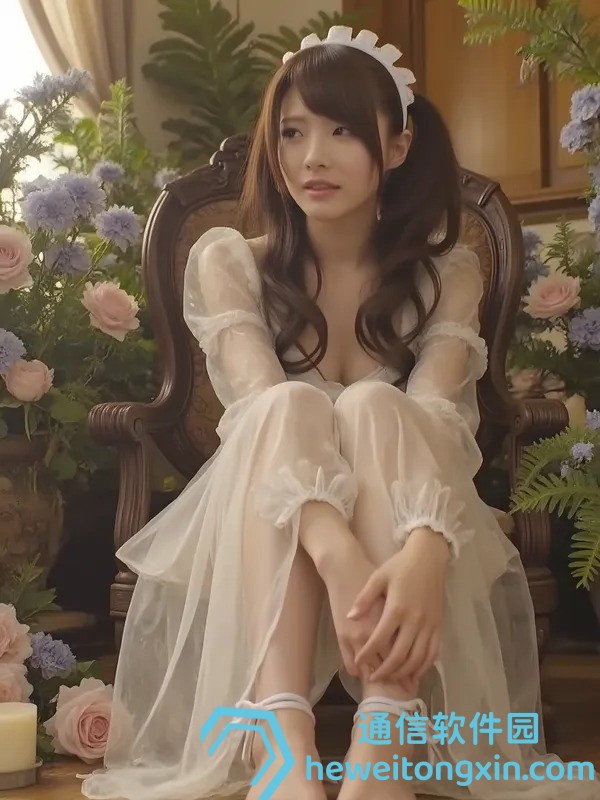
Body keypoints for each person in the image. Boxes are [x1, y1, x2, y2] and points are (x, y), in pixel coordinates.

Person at [80, 25, 600, 800]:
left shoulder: (447, 272)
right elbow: (255, 411)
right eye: (292, 132)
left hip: (417, 525)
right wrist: (338, 554)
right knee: (288, 404)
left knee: (376, 406)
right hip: (272, 531)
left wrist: (424, 553)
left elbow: (440, 426)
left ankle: (383, 742)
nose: (312, 157)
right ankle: (286, 749)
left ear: (397, 145)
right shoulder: (230, 260)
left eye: (342, 131)